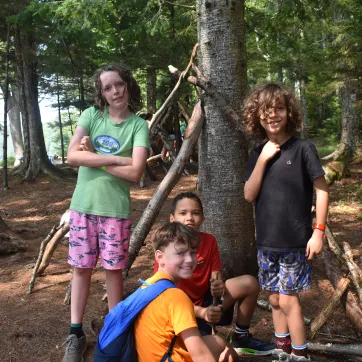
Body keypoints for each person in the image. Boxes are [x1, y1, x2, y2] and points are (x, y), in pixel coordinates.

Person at [62, 64, 149, 362]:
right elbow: (72, 156)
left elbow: (136, 171)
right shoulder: (91, 115)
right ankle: (75, 334)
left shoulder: (138, 125)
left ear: (128, 84)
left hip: (115, 210)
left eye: (119, 84)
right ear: (101, 93)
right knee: (82, 269)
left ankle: (114, 333)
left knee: (113, 272)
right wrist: (115, 159)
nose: (115, 91)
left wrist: (93, 158)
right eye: (108, 87)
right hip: (83, 207)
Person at [242, 83, 329, 362]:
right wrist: (264, 159)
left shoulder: (304, 148)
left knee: (289, 299)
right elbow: (248, 195)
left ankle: (300, 355)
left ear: (289, 112)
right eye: (265, 110)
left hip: (295, 241)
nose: (272, 115)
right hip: (267, 242)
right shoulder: (257, 154)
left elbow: (322, 189)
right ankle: (282, 349)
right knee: (276, 299)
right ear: (257, 116)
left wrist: (319, 231)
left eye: (279, 108)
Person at [155, 192, 275, 359]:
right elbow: (166, 299)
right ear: (172, 218)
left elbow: (215, 275)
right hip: (180, 312)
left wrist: (217, 286)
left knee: (249, 283)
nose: (189, 218)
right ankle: (205, 333)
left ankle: (241, 336)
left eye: (195, 213)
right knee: (214, 349)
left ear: (203, 218)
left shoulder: (209, 240)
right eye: (183, 213)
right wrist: (202, 313)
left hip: (204, 302)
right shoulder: (167, 248)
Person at [135, 222, 227, 362]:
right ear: (159, 257)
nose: (190, 260)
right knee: (215, 345)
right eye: (180, 253)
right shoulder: (176, 297)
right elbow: (200, 355)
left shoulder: (148, 285)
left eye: (192, 252)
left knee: (219, 342)